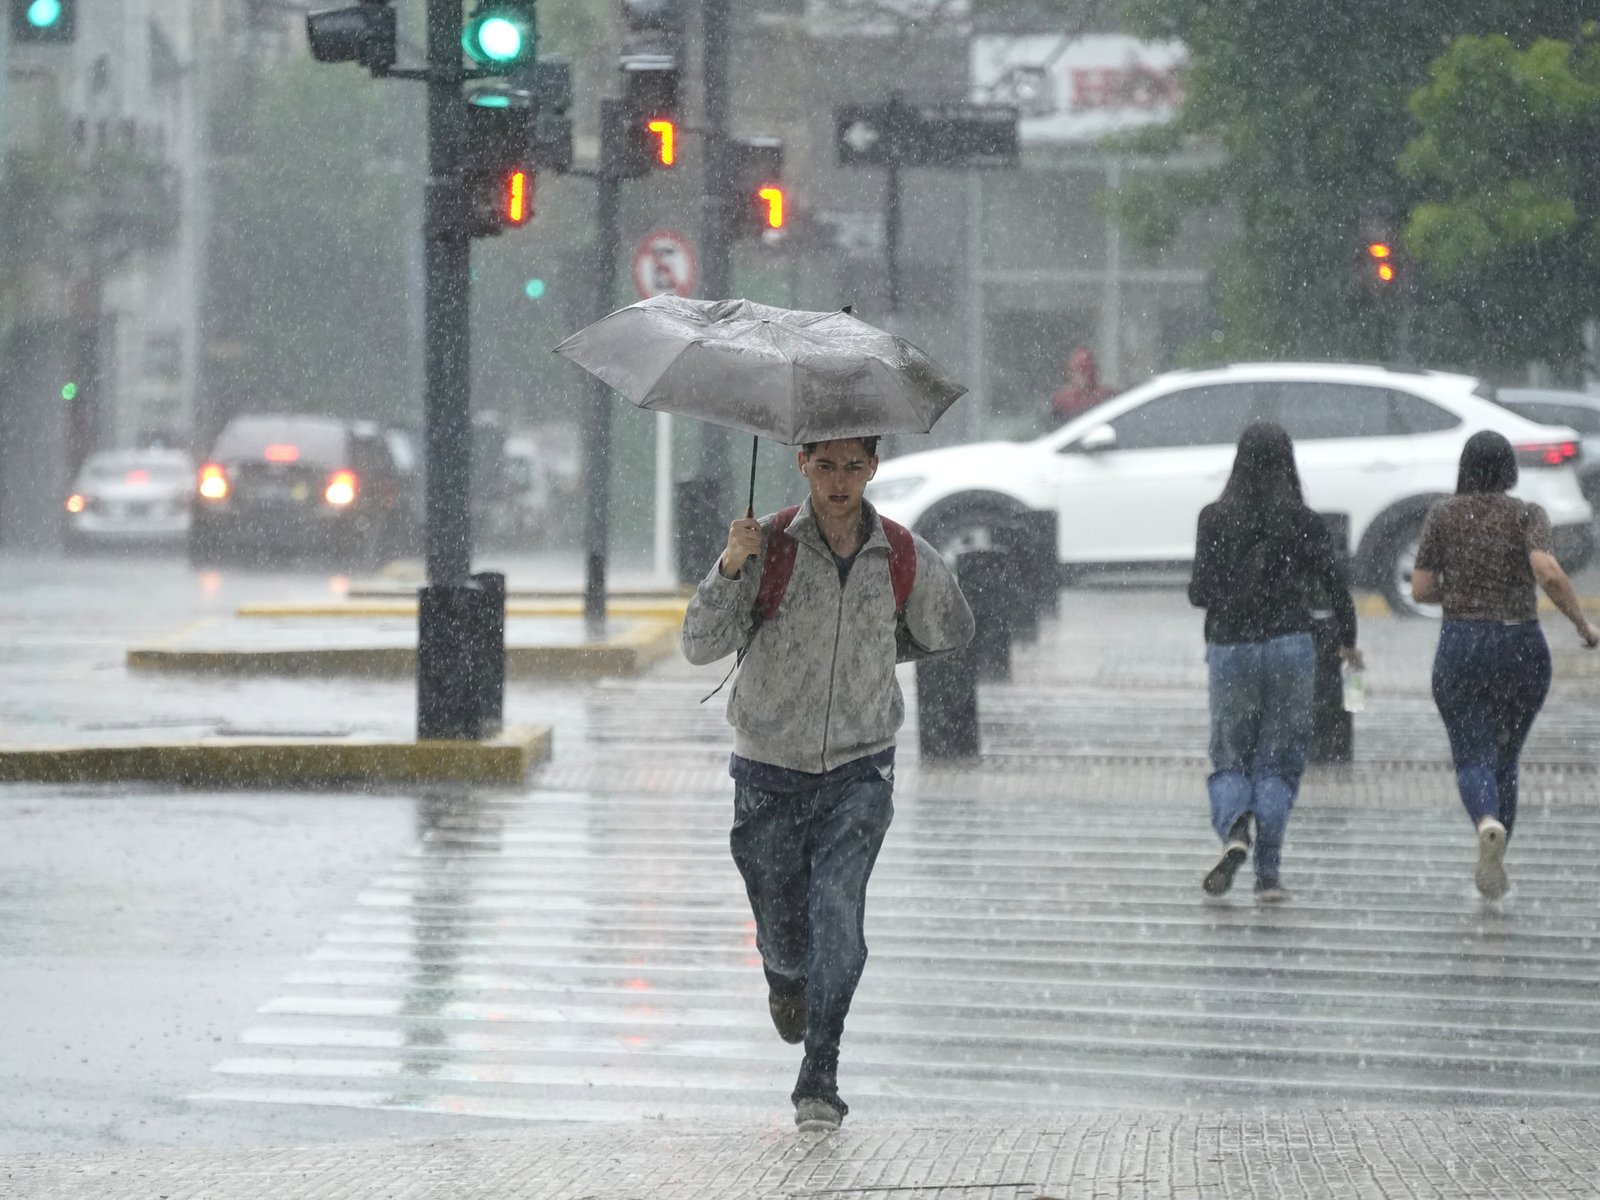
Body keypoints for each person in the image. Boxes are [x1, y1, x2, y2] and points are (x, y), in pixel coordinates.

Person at [681, 435, 974, 1134]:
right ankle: (784, 977)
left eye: (853, 466)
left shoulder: (901, 554)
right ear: (802, 464)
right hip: (768, 771)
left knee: (839, 920)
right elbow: (699, 643)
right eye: (825, 465)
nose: (839, 481)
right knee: (784, 932)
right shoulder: (769, 544)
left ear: (873, 467)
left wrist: (881, 653)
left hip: (859, 770)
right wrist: (730, 565)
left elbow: (953, 628)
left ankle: (821, 1072)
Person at [1411, 430, 1600, 900]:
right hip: (1522, 645)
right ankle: (1499, 848)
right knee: (1506, 756)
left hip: (1462, 645)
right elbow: (1548, 572)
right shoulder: (1527, 514)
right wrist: (1584, 625)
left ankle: (1485, 822)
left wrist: (1456, 593)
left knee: (1473, 755)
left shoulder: (1443, 514)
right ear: (1509, 469)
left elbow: (1418, 590)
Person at [1187, 422, 1362, 902]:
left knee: (1230, 760)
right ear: (1288, 463)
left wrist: (1231, 587)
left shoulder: (1214, 518)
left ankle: (1236, 827)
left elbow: (1198, 593)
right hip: (1291, 645)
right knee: (1278, 765)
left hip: (1231, 648)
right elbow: (1336, 586)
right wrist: (1348, 639)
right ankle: (1268, 876)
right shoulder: (1304, 521)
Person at [1050, 345, 1115, 424]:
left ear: (1089, 374)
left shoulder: (1105, 395)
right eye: (1072, 372)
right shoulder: (1063, 400)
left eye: (1078, 373)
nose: (1073, 377)